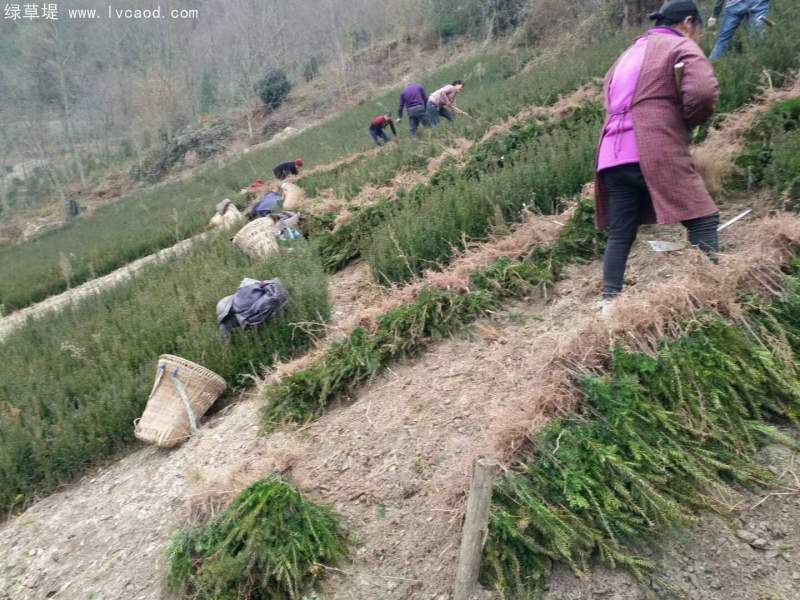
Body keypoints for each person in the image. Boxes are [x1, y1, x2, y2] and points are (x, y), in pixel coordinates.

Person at [594, 0, 720, 304]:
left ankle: (610, 301)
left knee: (621, 231)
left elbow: (607, 98)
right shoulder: (679, 46)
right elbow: (703, 93)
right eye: (697, 31)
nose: (697, 38)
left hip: (611, 154)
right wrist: (687, 122)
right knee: (703, 216)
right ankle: (714, 290)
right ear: (688, 23)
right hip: (652, 146)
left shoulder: (627, 54)